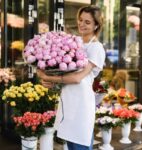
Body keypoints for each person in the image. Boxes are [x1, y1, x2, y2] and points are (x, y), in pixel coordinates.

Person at [37, 5, 105, 150]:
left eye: (87, 22)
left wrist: (47, 77)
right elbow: (66, 76)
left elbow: (77, 78)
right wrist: (51, 82)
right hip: (67, 101)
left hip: (82, 104)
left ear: (96, 25)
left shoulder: (96, 48)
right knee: (71, 145)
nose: (81, 24)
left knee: (81, 144)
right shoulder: (74, 44)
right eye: (80, 20)